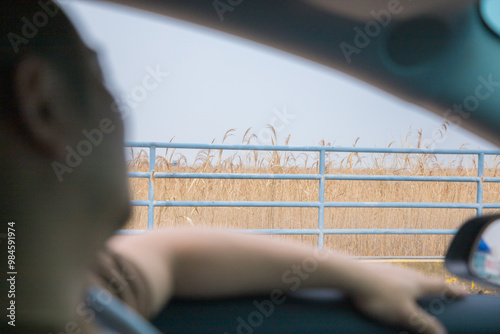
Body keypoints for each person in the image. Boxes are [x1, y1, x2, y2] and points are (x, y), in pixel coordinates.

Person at [0, 1, 466, 333]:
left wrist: (362, 275)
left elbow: (176, 254)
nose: (122, 115)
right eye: (101, 79)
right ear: (44, 106)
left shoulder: (72, 286)